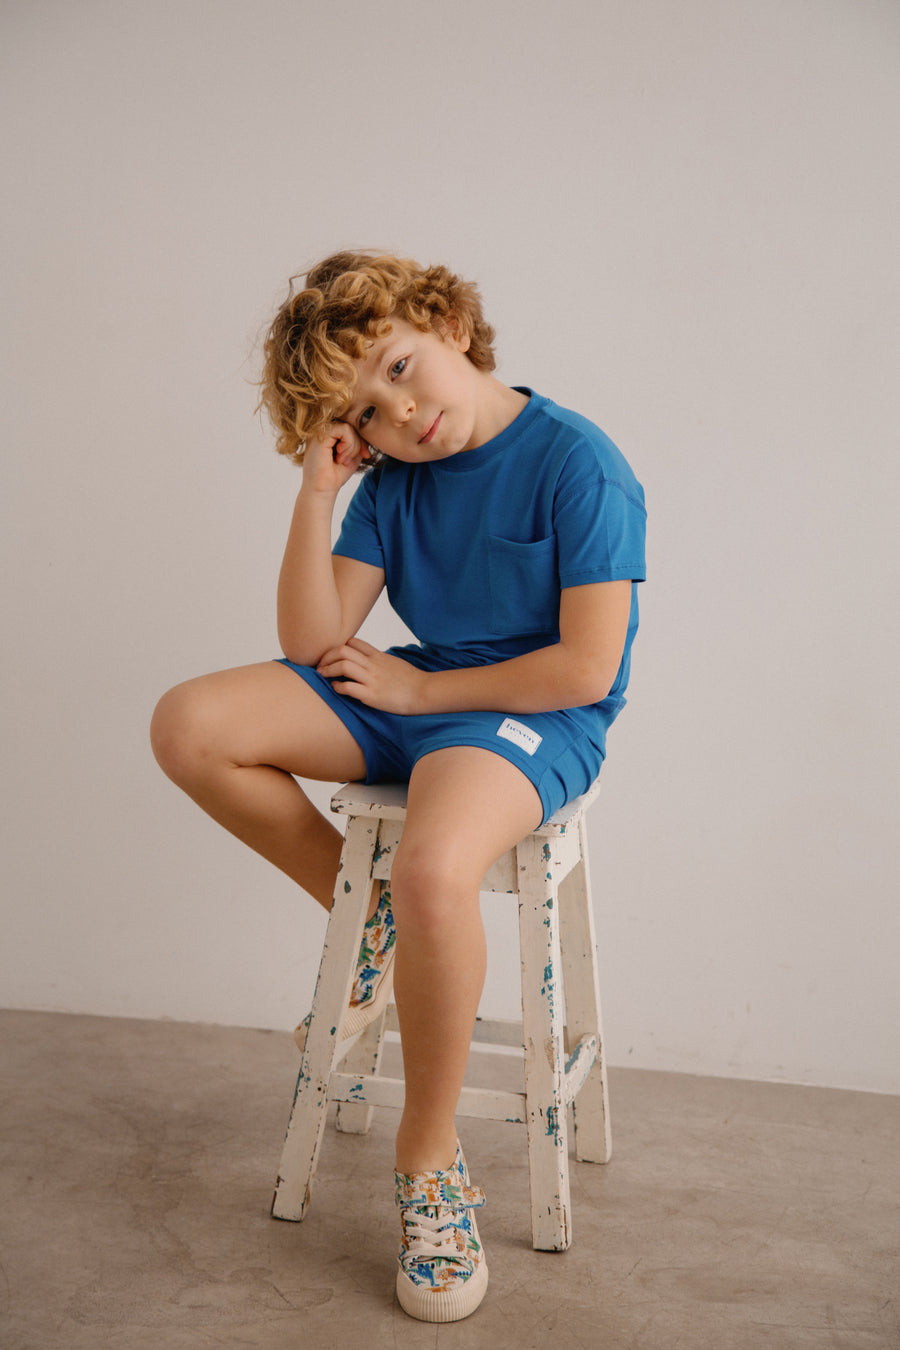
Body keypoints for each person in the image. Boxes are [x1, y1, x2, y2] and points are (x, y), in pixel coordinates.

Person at [150, 249, 647, 1323]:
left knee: (432, 869)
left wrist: (421, 695)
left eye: (401, 368)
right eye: (367, 411)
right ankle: (369, 921)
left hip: (533, 715)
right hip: (417, 692)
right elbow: (312, 643)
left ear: (449, 324)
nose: (400, 413)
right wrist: (317, 490)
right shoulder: (388, 483)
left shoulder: (579, 463)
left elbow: (585, 667)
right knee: (190, 724)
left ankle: (428, 1162)